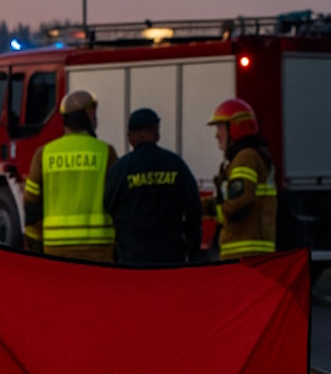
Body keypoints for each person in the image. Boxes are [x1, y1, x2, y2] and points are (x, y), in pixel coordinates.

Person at [23, 89, 118, 262]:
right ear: (88, 115)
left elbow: (31, 204)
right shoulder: (106, 152)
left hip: (56, 249)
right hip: (99, 248)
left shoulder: (44, 154)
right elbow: (118, 201)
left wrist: (34, 243)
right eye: (94, 113)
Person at [103, 108, 202, 264]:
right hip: (171, 257)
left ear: (132, 137)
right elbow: (193, 209)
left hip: (132, 257)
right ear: (155, 131)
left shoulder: (121, 169)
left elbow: (109, 205)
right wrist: (193, 251)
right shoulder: (175, 164)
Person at [202, 98, 277, 258]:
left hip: (245, 253)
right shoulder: (246, 157)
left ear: (234, 128)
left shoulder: (246, 158)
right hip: (246, 251)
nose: (217, 135)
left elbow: (239, 202)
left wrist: (217, 211)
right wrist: (195, 205)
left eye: (220, 128)